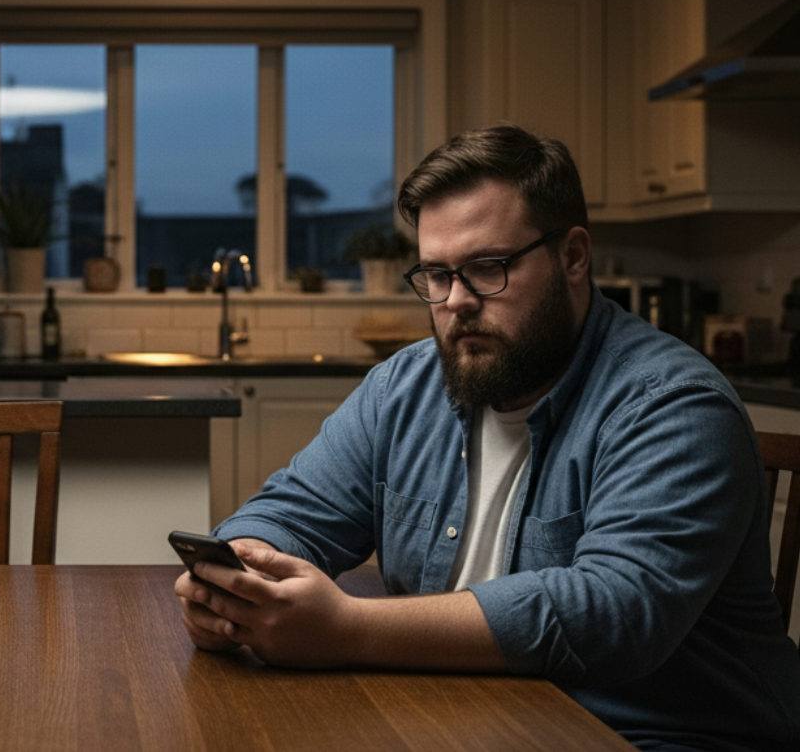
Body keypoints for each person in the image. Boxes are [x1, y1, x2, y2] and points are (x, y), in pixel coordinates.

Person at [176, 124, 800, 751]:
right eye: (437, 275)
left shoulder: (673, 406)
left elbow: (614, 612)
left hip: (649, 737)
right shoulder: (402, 387)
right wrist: (235, 587)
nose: (456, 302)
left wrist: (348, 628)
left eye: (486, 268)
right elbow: (293, 511)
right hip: (465, 719)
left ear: (573, 257)